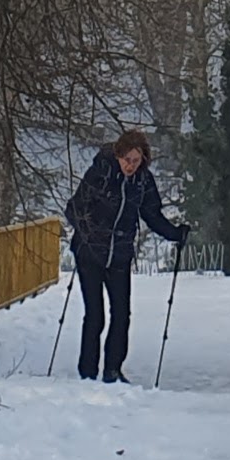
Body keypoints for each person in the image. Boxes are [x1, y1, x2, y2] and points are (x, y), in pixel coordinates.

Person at [66, 130, 188, 383]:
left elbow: (152, 215)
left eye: (136, 160)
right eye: (127, 160)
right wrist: (89, 233)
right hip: (89, 254)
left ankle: (113, 370)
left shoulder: (142, 181)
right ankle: (87, 373)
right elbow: (74, 209)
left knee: (121, 315)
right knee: (95, 315)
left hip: (119, 255)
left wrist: (175, 234)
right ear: (118, 155)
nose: (130, 166)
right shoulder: (101, 172)